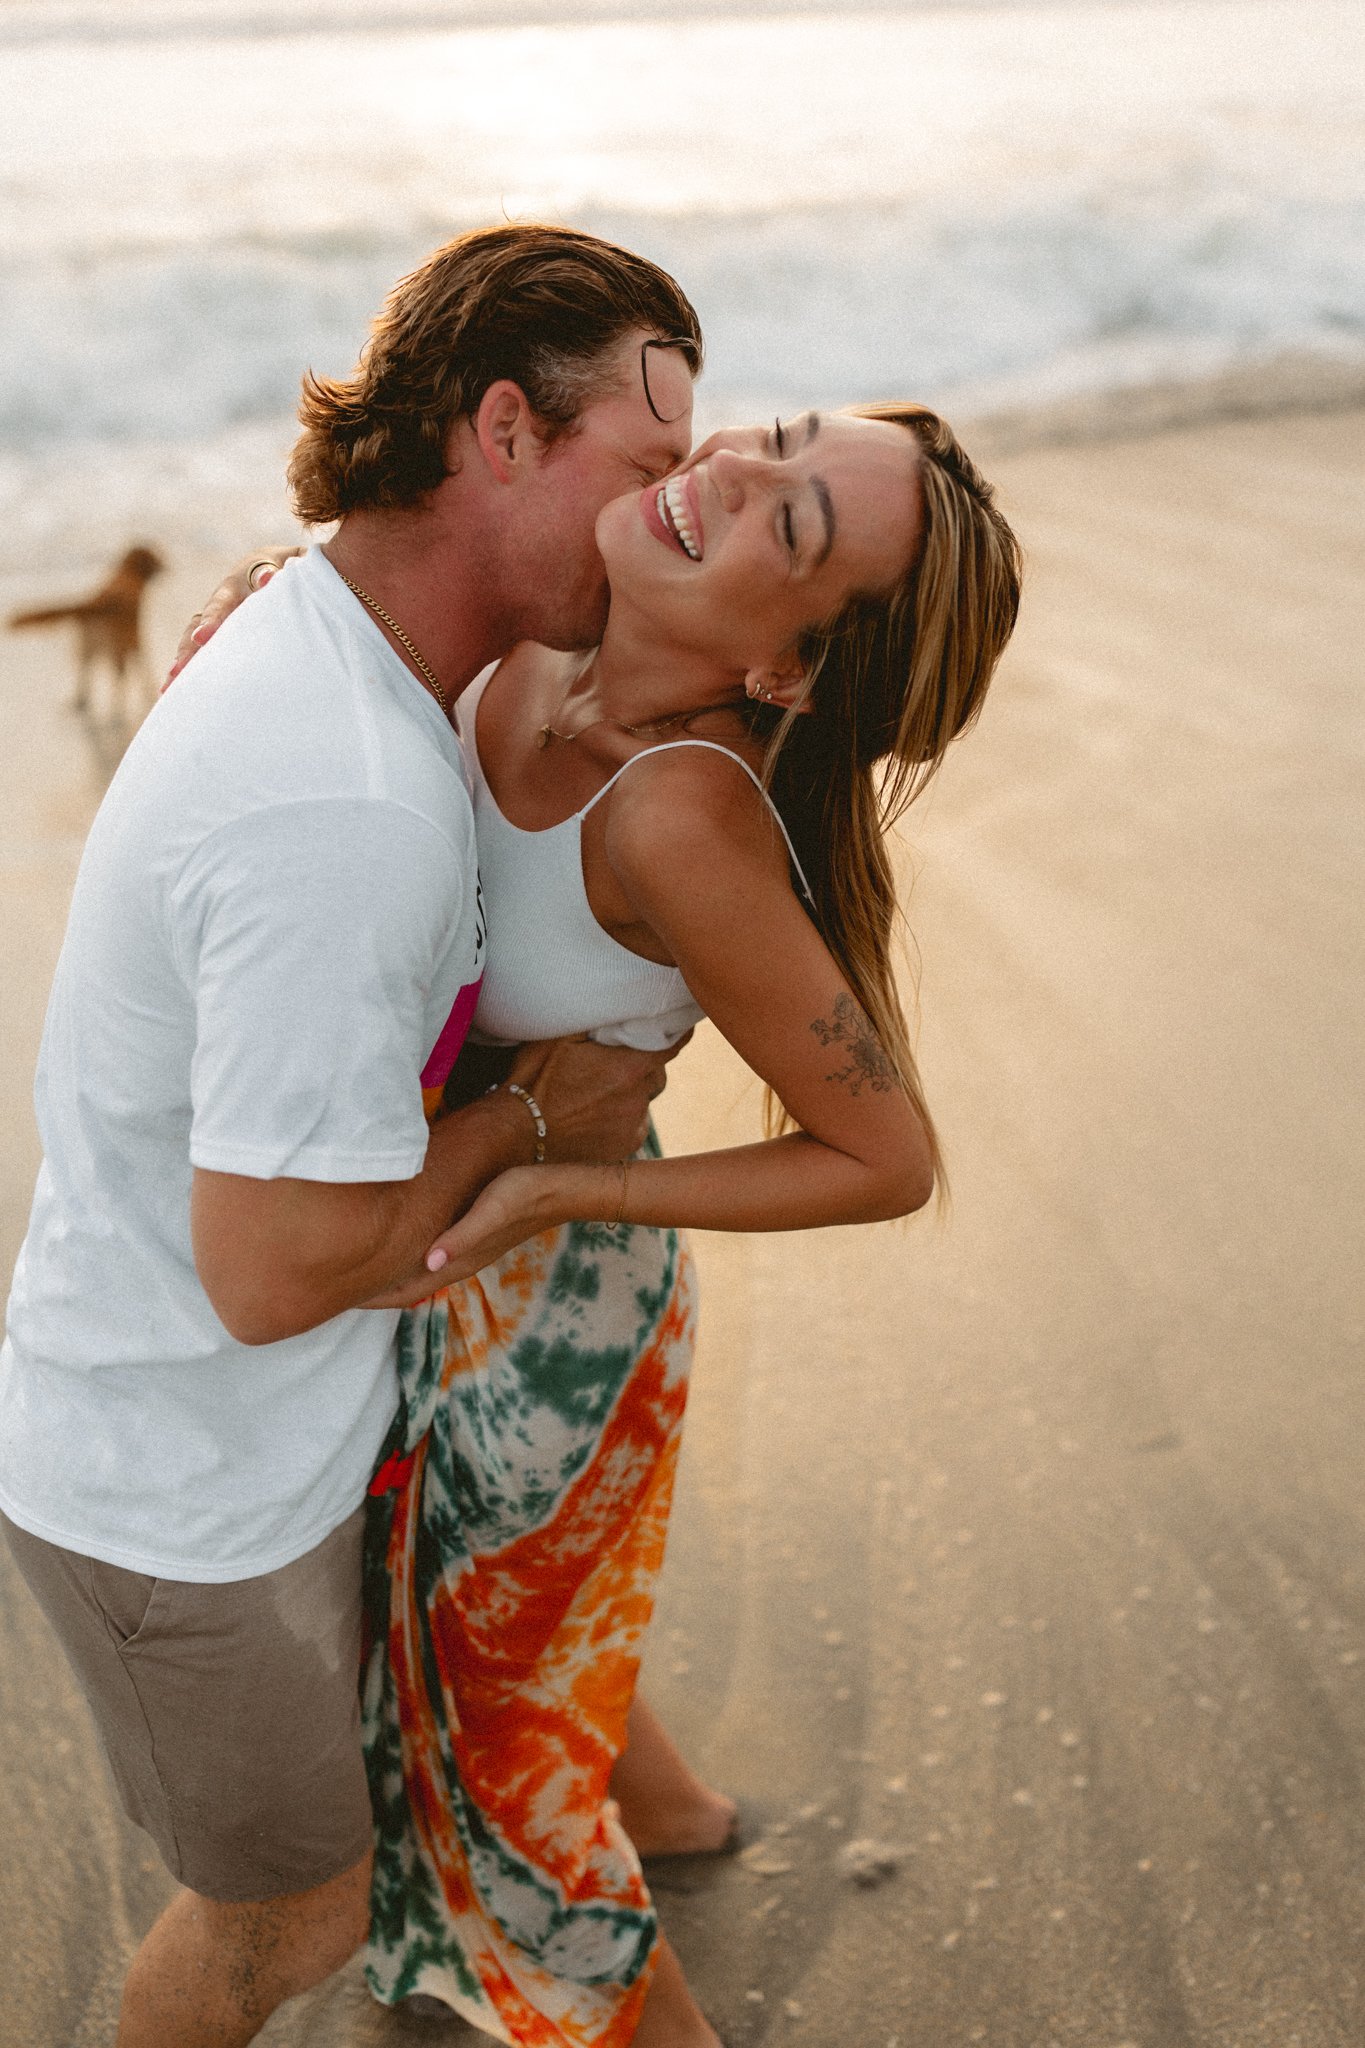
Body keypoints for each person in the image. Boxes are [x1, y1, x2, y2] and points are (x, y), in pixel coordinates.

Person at [180, 362, 1021, 2040]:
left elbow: (884, 1154)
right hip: (413, 1259)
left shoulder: (683, 816)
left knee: (509, 1794)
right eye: (774, 437)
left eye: (783, 514)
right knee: (473, 1663)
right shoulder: (523, 633)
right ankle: (687, 1809)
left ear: (785, 659)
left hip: (551, 1346)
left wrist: (563, 1170)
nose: (723, 465)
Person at [0, 223, 722, 2048]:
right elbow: (268, 1276)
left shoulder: (331, 635)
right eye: (641, 475)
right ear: (499, 431)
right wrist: (530, 1115)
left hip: (263, 1440)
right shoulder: (346, 799)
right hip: (180, 1485)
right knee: (290, 1916)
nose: (663, 523)